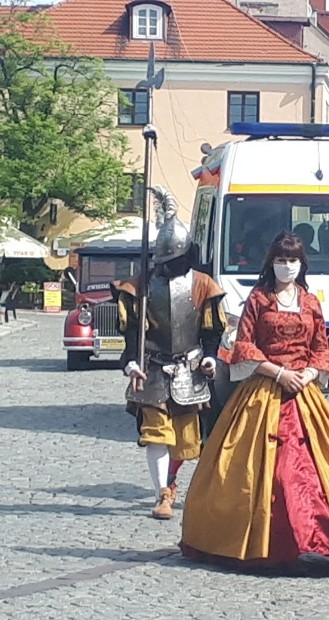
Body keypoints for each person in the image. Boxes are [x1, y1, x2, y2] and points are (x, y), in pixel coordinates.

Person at [181, 232, 329, 568]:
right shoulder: (259, 299)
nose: (287, 266)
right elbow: (244, 344)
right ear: (272, 263)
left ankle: (318, 535)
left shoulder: (310, 302)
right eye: (282, 260)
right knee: (258, 469)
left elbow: (320, 346)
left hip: (303, 391)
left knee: (311, 468)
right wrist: (278, 373)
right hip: (264, 389)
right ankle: (258, 538)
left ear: (302, 264)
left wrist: (310, 375)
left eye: (293, 260)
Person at [114, 187, 226, 520]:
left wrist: (210, 356)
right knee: (156, 433)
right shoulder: (140, 286)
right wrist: (131, 361)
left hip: (189, 367)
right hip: (152, 366)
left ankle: (172, 482)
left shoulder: (203, 284)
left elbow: (211, 328)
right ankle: (162, 493)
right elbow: (132, 330)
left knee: (186, 439)